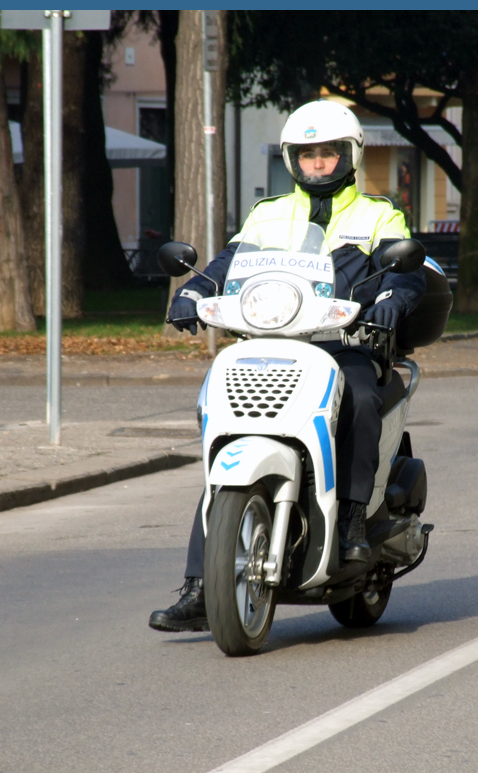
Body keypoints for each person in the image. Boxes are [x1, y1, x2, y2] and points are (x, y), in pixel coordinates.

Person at [149, 100, 427, 632]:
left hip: (344, 343)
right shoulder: (268, 212)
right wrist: (194, 290)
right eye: (307, 154)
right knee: (226, 428)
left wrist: (393, 297)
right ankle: (202, 584)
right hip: (269, 340)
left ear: (349, 154)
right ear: (292, 159)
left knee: (362, 398)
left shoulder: (377, 213)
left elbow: (404, 268)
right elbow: (227, 264)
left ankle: (349, 523)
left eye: (328, 153)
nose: (318, 163)